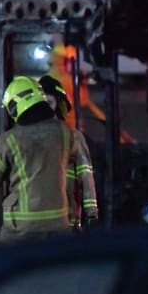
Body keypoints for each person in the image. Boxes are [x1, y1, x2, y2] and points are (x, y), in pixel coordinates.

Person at [0, 76, 94, 245]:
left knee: (4, 264)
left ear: (15, 106)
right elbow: (84, 174)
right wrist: (92, 214)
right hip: (60, 225)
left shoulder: (8, 140)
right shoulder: (67, 134)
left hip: (21, 230)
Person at [38, 75, 98, 231]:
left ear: (59, 104)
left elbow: (86, 174)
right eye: (41, 104)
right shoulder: (26, 138)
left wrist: (91, 213)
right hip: (36, 220)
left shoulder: (73, 136)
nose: (45, 108)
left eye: (49, 103)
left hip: (66, 218)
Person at [46, 44, 136, 144]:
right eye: (71, 61)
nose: (72, 65)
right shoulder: (67, 79)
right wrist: (83, 84)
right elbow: (83, 100)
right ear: (64, 61)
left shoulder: (49, 77)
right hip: (68, 126)